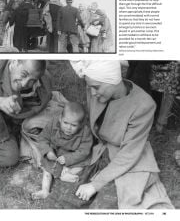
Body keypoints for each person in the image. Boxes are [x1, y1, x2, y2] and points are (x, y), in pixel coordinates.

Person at [70, 60, 174, 209]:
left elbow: (129, 154)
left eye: (96, 88)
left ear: (112, 81)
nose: (92, 93)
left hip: (127, 155)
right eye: (90, 87)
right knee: (73, 196)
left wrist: (96, 184)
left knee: (110, 203)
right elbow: (93, 126)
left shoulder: (144, 105)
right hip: (101, 151)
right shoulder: (95, 89)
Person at [32, 101, 93, 200]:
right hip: (57, 154)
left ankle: (67, 175)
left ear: (81, 125)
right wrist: (48, 151)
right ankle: (45, 190)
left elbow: (84, 151)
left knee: (80, 168)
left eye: (73, 125)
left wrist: (68, 159)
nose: (68, 128)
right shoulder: (53, 123)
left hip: (75, 157)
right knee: (47, 169)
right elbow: (43, 138)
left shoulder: (85, 132)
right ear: (60, 118)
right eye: (65, 123)